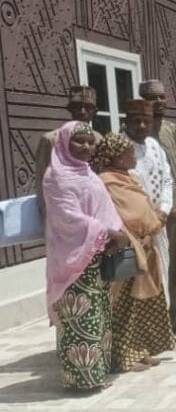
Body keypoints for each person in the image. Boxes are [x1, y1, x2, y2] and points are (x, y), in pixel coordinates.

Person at [42, 121, 131, 390]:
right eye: (79, 141)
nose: (86, 146)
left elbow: (106, 207)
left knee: (99, 315)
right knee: (79, 317)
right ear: (65, 143)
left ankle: (96, 374)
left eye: (91, 141)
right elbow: (68, 218)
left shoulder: (89, 174)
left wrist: (117, 230)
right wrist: (107, 232)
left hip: (96, 254)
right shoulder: (55, 176)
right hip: (72, 259)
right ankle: (81, 379)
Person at [94, 134, 176, 373]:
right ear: (117, 157)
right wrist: (135, 236)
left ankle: (140, 350)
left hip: (146, 245)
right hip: (127, 249)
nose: (133, 156)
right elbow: (115, 216)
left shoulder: (128, 178)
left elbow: (144, 207)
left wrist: (151, 230)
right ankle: (122, 357)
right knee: (124, 308)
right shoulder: (105, 182)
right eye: (128, 153)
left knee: (143, 306)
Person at [140, 80, 176, 334]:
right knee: (153, 267)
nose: (159, 102)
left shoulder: (172, 130)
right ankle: (156, 324)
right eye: (152, 98)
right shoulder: (134, 130)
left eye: (162, 97)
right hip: (147, 214)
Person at [124, 99, 173, 307]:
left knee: (161, 271)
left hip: (158, 225)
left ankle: (162, 330)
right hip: (133, 229)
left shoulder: (155, 146)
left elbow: (167, 180)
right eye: (136, 121)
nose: (142, 126)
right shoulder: (120, 147)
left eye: (146, 121)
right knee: (135, 278)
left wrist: (163, 210)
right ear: (126, 122)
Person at [34, 86, 104, 211]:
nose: (82, 111)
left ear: (95, 112)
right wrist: (46, 212)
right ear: (70, 109)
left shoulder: (98, 140)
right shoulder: (51, 139)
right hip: (61, 208)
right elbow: (41, 179)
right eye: (77, 107)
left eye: (88, 107)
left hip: (92, 206)